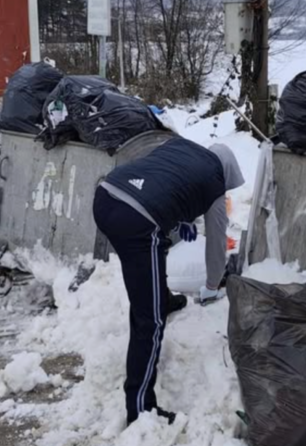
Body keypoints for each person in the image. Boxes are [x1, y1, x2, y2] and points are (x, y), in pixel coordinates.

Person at [92, 137, 244, 425]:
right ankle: (140, 408)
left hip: (106, 195)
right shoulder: (214, 184)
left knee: (154, 251)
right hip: (137, 219)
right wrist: (213, 284)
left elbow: (161, 178)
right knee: (149, 321)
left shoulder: (180, 146)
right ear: (226, 172)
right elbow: (216, 243)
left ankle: (162, 298)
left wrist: (182, 217)